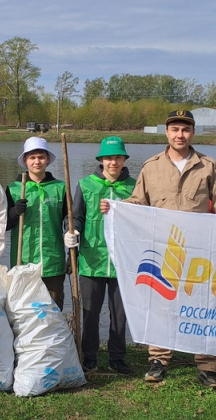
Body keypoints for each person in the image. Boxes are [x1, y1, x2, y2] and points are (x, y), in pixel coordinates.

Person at [116, 110, 216, 388]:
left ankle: (208, 365)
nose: (179, 135)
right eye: (175, 130)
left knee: (204, 306)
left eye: (185, 130)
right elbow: (138, 201)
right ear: (166, 133)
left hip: (200, 251)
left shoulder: (209, 166)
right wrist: (116, 209)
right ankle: (158, 359)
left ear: (192, 133)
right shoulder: (151, 166)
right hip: (162, 250)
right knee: (161, 305)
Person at [65, 136, 136, 375]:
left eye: (118, 157)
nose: (113, 162)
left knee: (120, 314)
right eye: (108, 157)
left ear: (124, 159)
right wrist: (70, 231)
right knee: (90, 313)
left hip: (122, 262)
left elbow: (141, 220)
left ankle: (118, 357)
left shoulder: (135, 186)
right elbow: (76, 217)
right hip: (91, 260)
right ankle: (90, 356)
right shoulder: (86, 185)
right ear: (101, 160)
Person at [6, 137, 69, 306]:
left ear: (48, 159)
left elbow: (70, 220)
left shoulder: (61, 188)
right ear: (25, 160)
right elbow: (3, 225)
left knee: (53, 312)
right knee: (23, 312)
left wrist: (72, 237)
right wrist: (13, 212)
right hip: (23, 262)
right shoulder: (13, 189)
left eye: (41, 157)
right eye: (32, 157)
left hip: (53, 263)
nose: (37, 161)